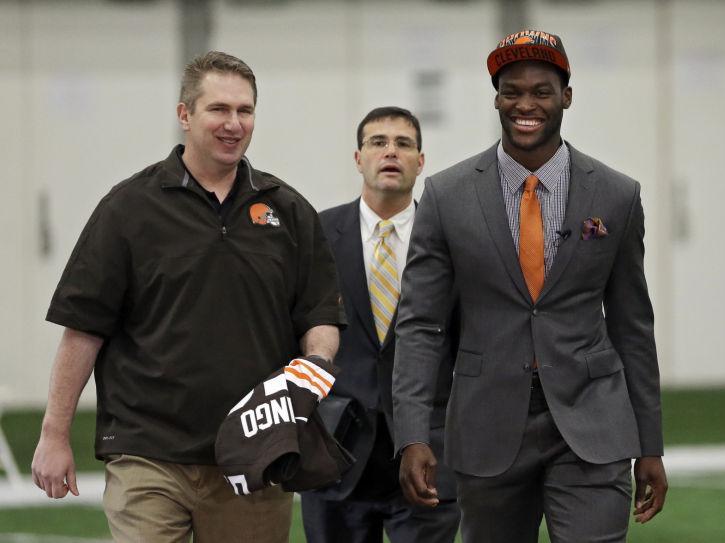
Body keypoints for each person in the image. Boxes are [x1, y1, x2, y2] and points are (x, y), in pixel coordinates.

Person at [30, 51, 344, 543]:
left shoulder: (288, 210)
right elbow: (83, 328)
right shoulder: (129, 209)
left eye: (245, 111)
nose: (234, 124)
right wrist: (54, 435)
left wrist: (313, 368)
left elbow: (320, 314)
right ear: (184, 114)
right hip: (147, 454)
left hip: (257, 455)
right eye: (218, 109)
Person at [393, 30, 668, 542]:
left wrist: (649, 443)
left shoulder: (617, 194)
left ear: (566, 96)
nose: (525, 104)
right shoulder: (447, 195)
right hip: (486, 426)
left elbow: (633, 325)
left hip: (592, 424)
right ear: (496, 98)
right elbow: (421, 324)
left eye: (541, 91)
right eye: (511, 91)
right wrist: (412, 434)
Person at [300, 107, 460, 543]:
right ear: (358, 158)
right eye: (378, 142)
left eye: (403, 144)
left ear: (421, 161)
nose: (391, 152)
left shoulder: (453, 239)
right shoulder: (315, 234)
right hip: (336, 451)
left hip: (428, 451)